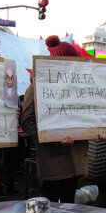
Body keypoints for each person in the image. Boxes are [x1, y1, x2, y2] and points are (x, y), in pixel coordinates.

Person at [21, 35, 88, 203]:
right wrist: (54, 139)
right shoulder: (36, 85)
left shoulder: (80, 87)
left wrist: (98, 131)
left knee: (69, 206)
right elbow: (27, 121)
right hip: (53, 162)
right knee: (50, 209)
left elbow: (89, 116)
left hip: (76, 162)